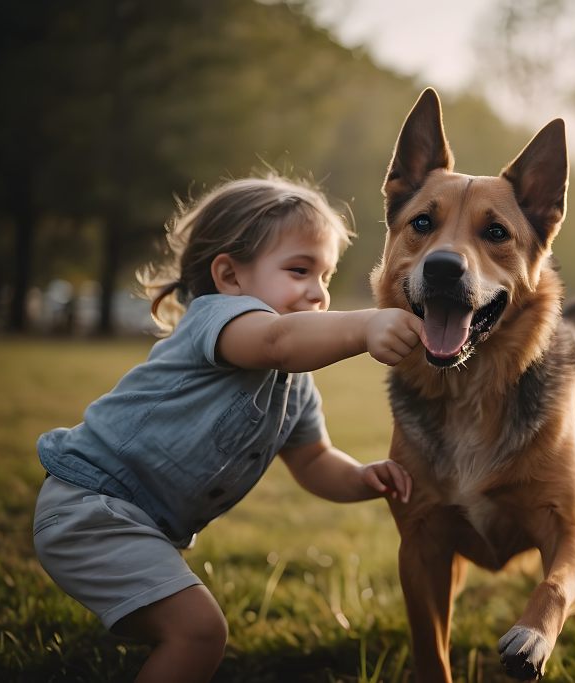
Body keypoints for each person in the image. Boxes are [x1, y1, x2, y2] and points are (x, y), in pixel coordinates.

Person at [32, 175, 423, 682]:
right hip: (93, 505)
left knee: (188, 631)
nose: (318, 294)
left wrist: (361, 478)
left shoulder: (292, 387)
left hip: (133, 522)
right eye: (300, 270)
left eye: (326, 277)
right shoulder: (217, 319)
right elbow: (278, 340)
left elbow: (313, 460)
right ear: (230, 277)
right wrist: (365, 325)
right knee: (199, 634)